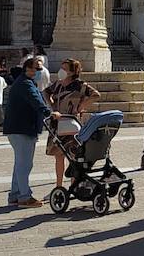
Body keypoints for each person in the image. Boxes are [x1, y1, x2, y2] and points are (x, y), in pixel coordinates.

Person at [4, 57, 59, 208]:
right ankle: (24, 197)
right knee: (25, 164)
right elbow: (36, 101)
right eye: (37, 69)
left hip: (19, 128)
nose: (39, 73)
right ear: (28, 69)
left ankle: (15, 194)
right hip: (22, 128)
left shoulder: (25, 82)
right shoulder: (25, 84)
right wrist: (49, 113)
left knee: (20, 164)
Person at [43, 58, 101, 192]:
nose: (61, 70)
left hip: (71, 123)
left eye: (64, 68)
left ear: (72, 71)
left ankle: (74, 186)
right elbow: (46, 92)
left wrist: (81, 106)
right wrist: (52, 105)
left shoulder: (80, 85)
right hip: (56, 123)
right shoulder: (58, 84)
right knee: (58, 156)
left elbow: (95, 95)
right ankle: (59, 186)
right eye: (61, 67)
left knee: (73, 156)